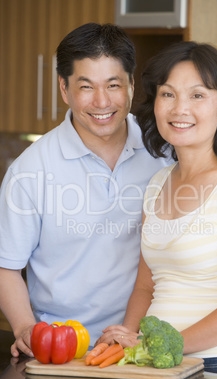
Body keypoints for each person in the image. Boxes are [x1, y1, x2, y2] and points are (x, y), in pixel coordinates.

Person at [97, 41, 217, 379]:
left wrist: (160, 345)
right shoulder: (158, 184)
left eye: (197, 95)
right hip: (157, 365)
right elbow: (146, 287)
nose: (180, 108)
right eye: (168, 94)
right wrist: (125, 342)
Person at [0, 23, 171, 357]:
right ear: (64, 89)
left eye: (113, 85)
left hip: (146, 348)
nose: (102, 101)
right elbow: (6, 266)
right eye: (86, 86)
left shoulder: (163, 154)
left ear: (131, 86)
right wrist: (24, 329)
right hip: (64, 350)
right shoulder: (30, 170)